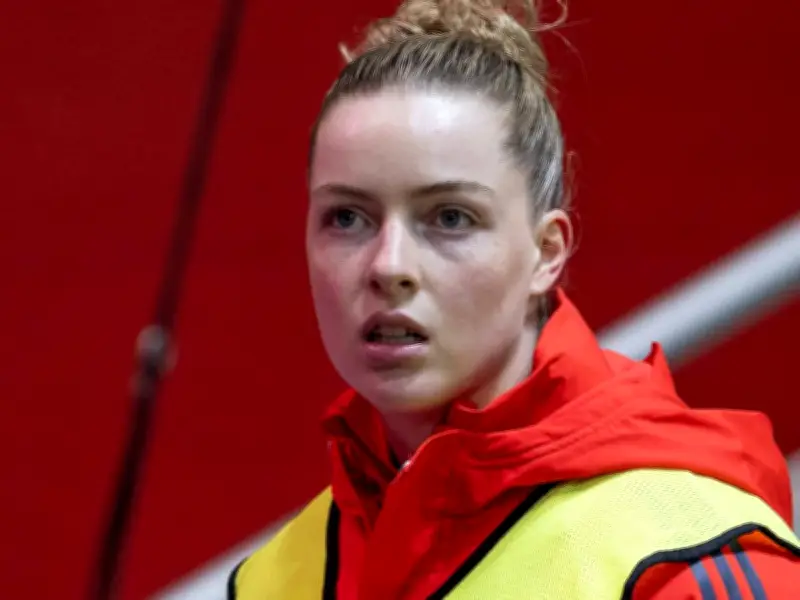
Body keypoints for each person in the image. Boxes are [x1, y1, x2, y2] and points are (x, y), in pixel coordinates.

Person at [228, 0, 800, 597]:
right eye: (347, 217)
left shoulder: (688, 562)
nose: (388, 265)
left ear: (547, 252)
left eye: (450, 217)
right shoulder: (270, 580)